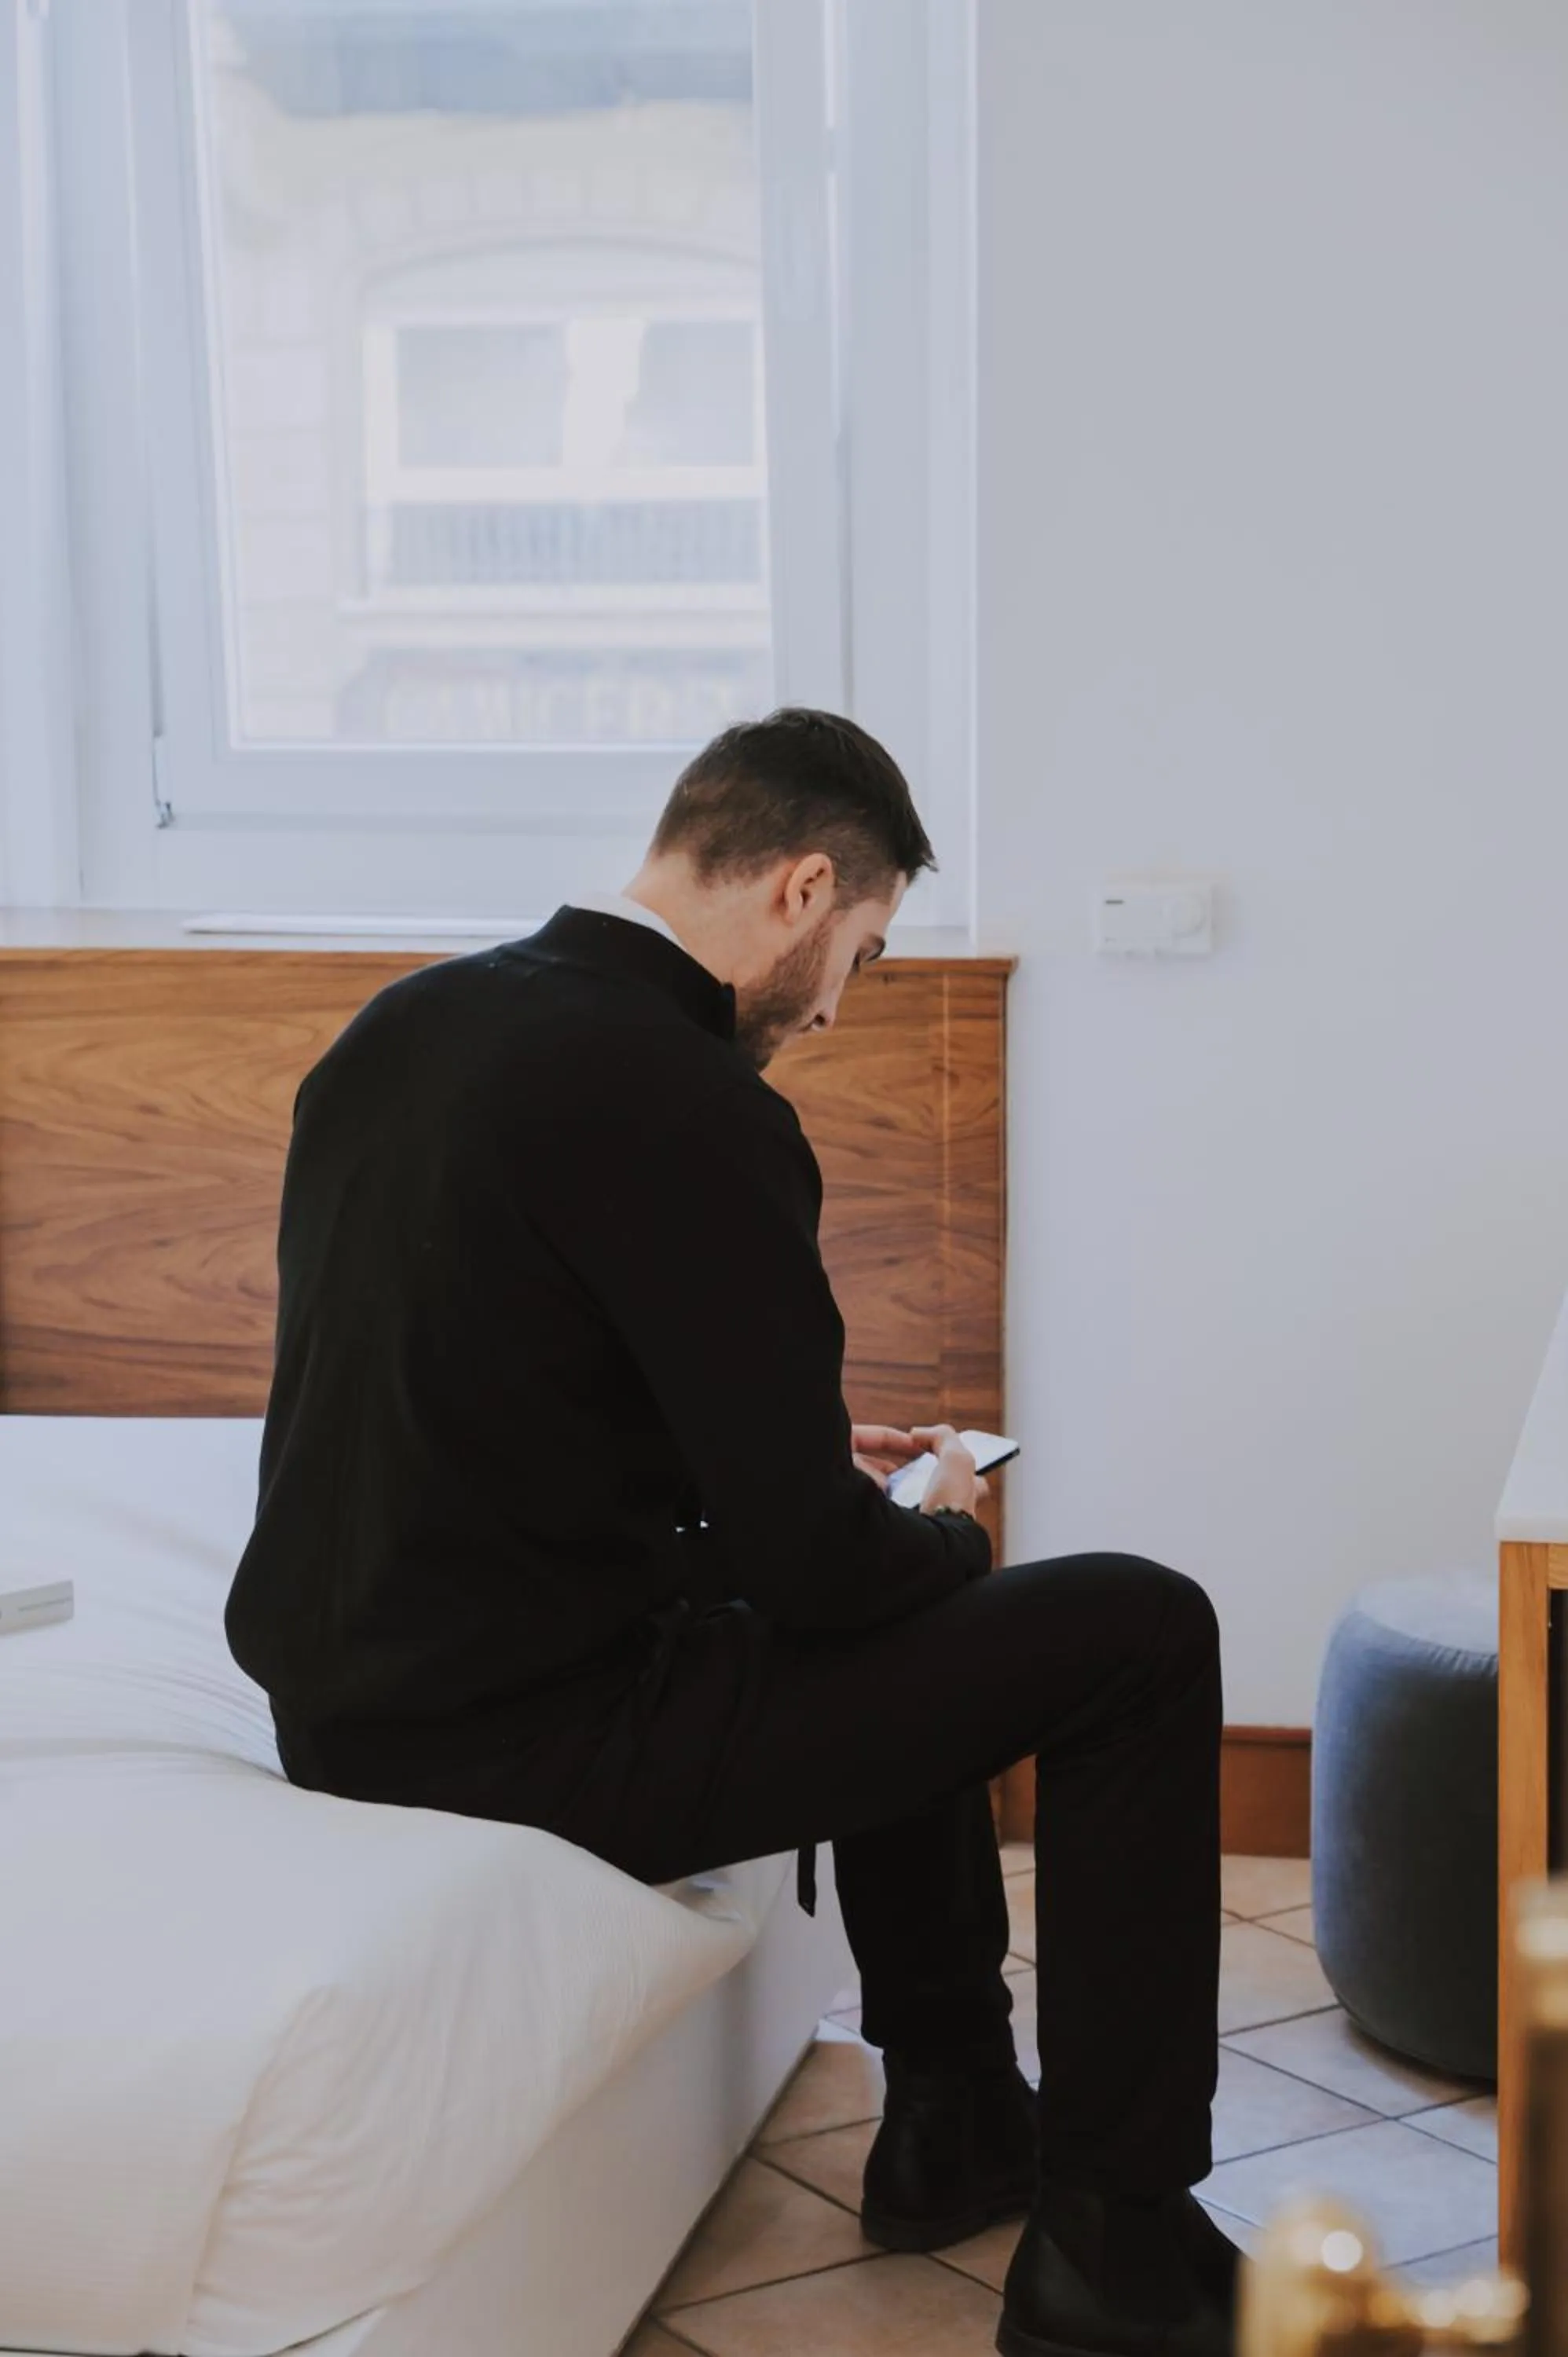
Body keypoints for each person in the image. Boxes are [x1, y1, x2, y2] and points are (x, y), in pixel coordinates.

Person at [226, 707, 1234, 2357]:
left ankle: (960, 2118)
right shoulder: (690, 1101)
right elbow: (817, 1574)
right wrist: (944, 1526)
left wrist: (810, 1462)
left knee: (894, 1594)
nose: (836, 1008)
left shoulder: (405, 1028)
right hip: (527, 1739)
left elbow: (498, 1404)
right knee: (1135, 1625)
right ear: (803, 888)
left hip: (343, 1707)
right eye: (862, 955)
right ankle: (1116, 2246)